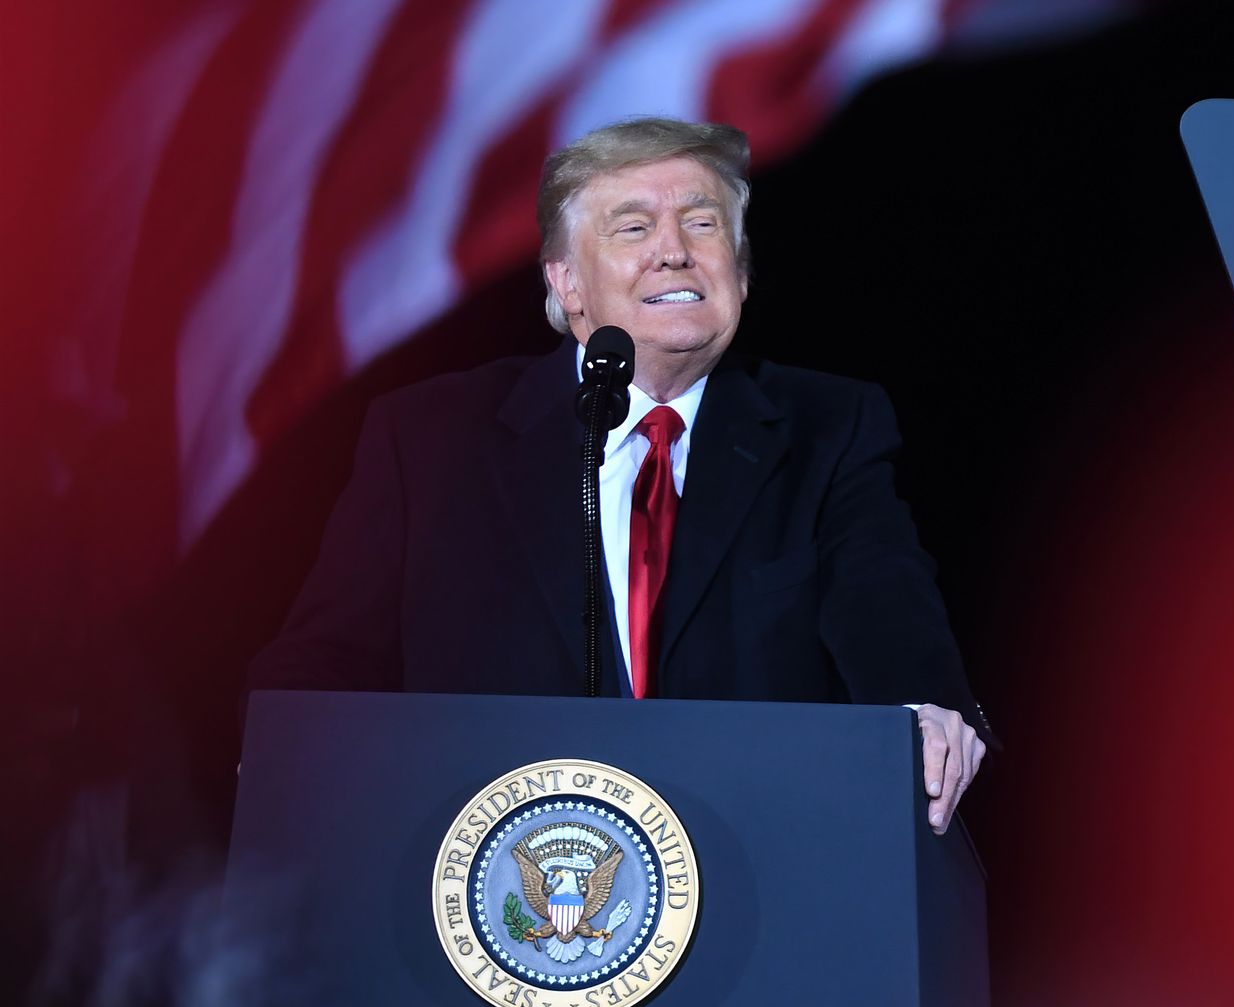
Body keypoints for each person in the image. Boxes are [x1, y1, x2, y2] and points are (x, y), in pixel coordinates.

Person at [250, 117, 992, 832]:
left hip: (756, 861)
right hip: (477, 878)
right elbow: (324, 667)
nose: (673, 251)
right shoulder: (430, 438)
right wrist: (289, 769)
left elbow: (888, 611)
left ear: (739, 268)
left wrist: (926, 711)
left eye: (703, 224)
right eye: (633, 227)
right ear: (568, 285)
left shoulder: (828, 428)